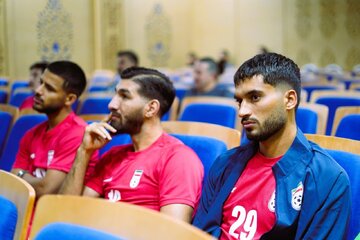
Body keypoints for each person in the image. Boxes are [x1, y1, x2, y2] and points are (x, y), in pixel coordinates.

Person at [193, 53, 351, 239]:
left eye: (255, 97)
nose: (242, 111)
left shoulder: (328, 179)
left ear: (289, 100)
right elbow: (199, 233)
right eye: (239, 101)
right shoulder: (225, 163)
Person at [60, 67, 204, 223]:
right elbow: (69, 212)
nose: (112, 104)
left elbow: (173, 233)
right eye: (115, 95)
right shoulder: (112, 156)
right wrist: (84, 151)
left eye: (124, 96)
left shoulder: (178, 158)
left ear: (151, 108)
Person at [12, 61, 99, 198]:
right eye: (41, 83)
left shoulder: (78, 134)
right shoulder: (31, 134)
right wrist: (27, 180)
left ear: (69, 99)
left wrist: (23, 176)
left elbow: (46, 188)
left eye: (49, 88)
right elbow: (13, 181)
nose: (38, 91)